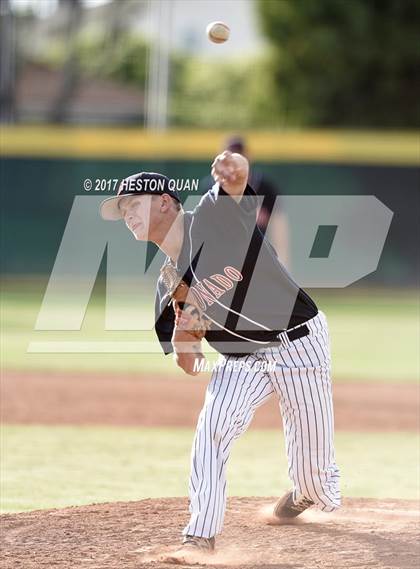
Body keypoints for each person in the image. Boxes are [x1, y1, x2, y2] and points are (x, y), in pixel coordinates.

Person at [100, 152, 341, 564]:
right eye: (121, 210)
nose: (127, 214)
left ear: (164, 201)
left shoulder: (211, 218)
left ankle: (305, 494)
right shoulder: (167, 283)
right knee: (210, 432)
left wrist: (235, 170)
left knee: (317, 483)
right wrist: (184, 340)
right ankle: (200, 536)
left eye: (133, 203)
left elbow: (234, 184)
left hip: (298, 341)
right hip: (241, 359)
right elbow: (189, 362)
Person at [200, 135, 290, 267]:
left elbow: (279, 229)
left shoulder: (265, 187)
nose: (234, 162)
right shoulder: (210, 188)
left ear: (248, 157)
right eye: (230, 155)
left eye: (239, 154)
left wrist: (283, 262)